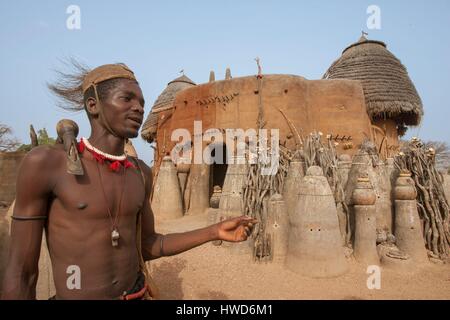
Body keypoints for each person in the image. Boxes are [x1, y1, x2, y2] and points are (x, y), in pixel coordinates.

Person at [1, 62, 256, 300]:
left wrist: (213, 231)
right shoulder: (47, 164)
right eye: (127, 98)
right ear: (93, 106)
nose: (139, 108)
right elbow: (22, 272)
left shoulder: (139, 172)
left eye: (142, 102)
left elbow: (149, 245)